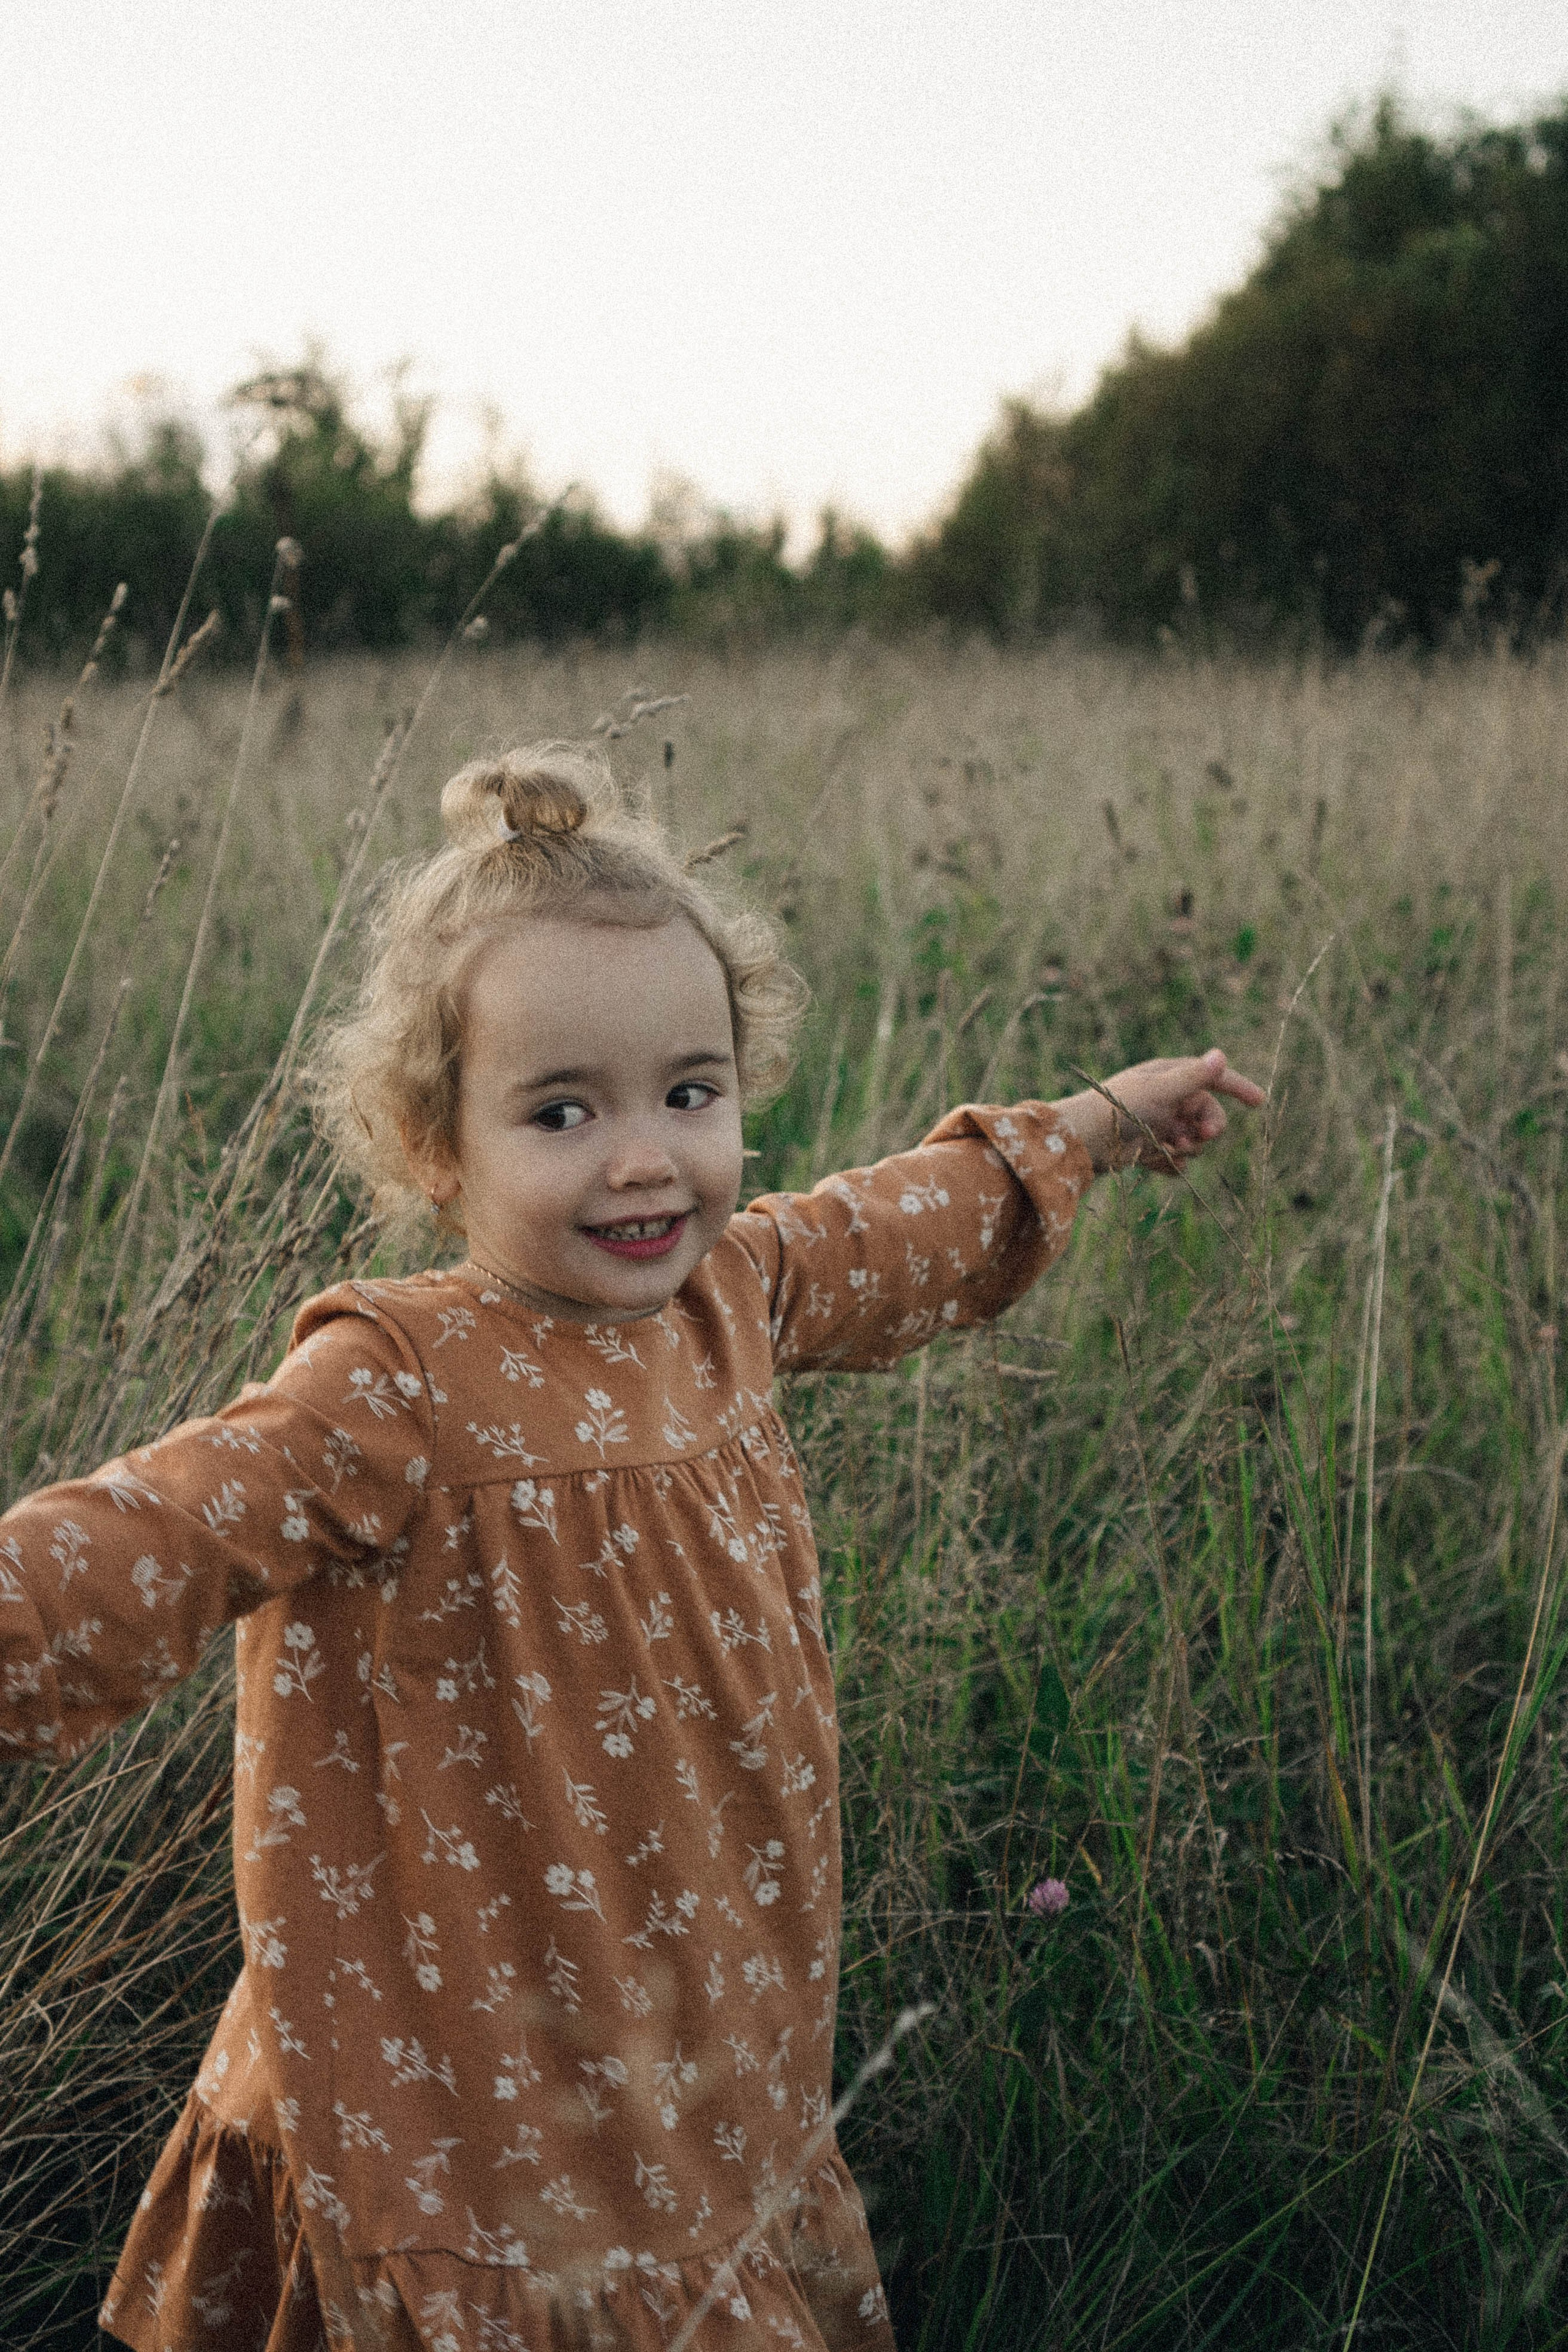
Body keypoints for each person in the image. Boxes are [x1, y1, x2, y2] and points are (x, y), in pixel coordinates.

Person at [1, 743, 1263, 2352]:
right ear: (435, 1143)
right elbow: (159, 1528)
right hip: (458, 2064)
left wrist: (1091, 1127)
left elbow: (900, 1227)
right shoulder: (393, 1381)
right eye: (562, 1110)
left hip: (700, 2019)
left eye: (690, 1092)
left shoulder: (733, 1297)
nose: (648, 1156)